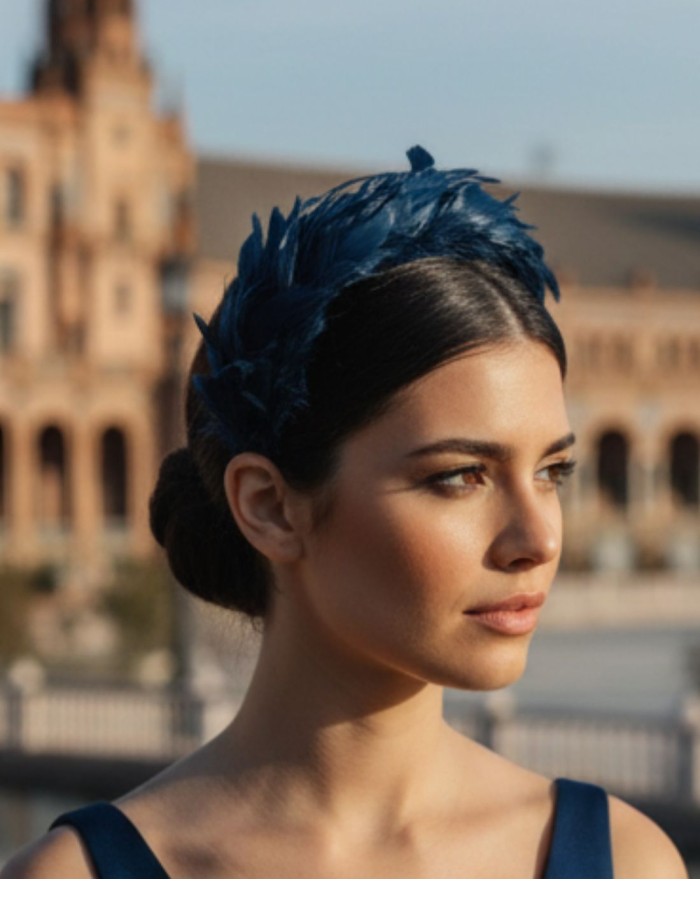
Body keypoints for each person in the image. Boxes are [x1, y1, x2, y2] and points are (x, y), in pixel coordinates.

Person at [2, 148, 687, 879]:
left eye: (553, 471)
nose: (540, 538)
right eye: (462, 476)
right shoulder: (74, 882)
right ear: (269, 507)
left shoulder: (630, 865)